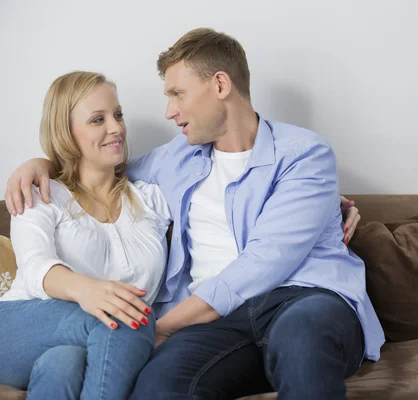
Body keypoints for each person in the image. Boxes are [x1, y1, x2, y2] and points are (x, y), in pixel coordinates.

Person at [4, 28, 383, 399]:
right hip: (219, 325)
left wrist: (161, 325)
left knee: (302, 342)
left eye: (177, 94)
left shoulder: (304, 154)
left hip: (301, 300)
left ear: (220, 85)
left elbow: (265, 261)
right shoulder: (175, 160)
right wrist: (39, 164)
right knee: (158, 387)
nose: (169, 111)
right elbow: (98, 169)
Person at [0, 71, 168, 399]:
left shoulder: (151, 200)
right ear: (66, 132)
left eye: (118, 115)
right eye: (97, 119)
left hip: (95, 344)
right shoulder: (41, 194)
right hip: (18, 326)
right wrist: (88, 291)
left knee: (63, 365)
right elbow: (35, 268)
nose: (116, 127)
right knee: (125, 314)